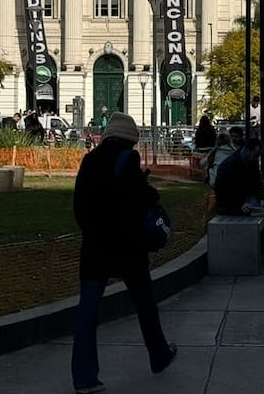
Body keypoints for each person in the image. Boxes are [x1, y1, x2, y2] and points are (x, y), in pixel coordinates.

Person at [71, 112, 176, 394]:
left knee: (87, 312)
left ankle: (84, 377)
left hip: (94, 246)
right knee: (145, 304)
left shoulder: (89, 160)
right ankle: (159, 354)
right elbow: (139, 199)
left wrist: (93, 231)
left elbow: (79, 204)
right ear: (130, 139)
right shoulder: (127, 160)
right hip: (127, 248)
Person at [214, 137, 264, 259]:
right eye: (256, 154)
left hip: (243, 200)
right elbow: (222, 190)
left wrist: (262, 198)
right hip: (230, 205)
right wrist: (239, 203)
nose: (257, 158)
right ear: (248, 150)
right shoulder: (230, 165)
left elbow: (258, 181)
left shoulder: (250, 161)